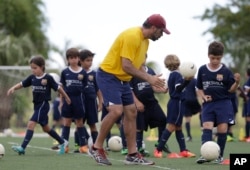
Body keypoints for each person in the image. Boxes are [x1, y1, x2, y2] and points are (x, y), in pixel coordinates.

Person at [88, 14, 169, 166]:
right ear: (153, 28)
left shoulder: (145, 41)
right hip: (108, 76)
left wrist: (151, 79)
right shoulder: (132, 36)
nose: (161, 35)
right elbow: (126, 65)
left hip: (123, 79)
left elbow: (136, 65)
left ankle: (132, 154)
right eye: (161, 31)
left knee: (131, 112)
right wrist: (149, 78)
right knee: (116, 111)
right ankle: (96, 147)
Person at [7, 55, 71, 155]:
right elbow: (22, 84)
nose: (33, 70)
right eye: (31, 68)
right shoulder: (32, 78)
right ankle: (62, 142)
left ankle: (22, 147)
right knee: (46, 128)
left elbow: (58, 88)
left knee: (31, 123)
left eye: (35, 68)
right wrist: (13, 88)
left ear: (42, 67)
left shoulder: (48, 78)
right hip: (37, 106)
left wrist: (66, 97)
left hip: (44, 105)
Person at [195, 41, 240, 164]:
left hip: (223, 104)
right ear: (208, 55)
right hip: (208, 105)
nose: (215, 61)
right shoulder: (202, 69)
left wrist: (236, 83)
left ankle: (219, 156)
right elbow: (198, 88)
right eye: (212, 58)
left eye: (218, 58)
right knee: (207, 127)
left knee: (222, 129)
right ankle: (205, 154)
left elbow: (231, 89)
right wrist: (203, 97)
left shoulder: (226, 71)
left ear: (222, 57)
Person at [154, 54, 196, 159]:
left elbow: (169, 88)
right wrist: (187, 81)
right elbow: (178, 88)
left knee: (178, 127)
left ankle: (183, 150)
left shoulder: (172, 74)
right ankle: (158, 149)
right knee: (172, 127)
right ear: (178, 63)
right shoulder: (177, 75)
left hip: (175, 103)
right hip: (177, 103)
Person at [128, 60, 170, 157]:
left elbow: (154, 87)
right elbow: (129, 90)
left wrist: (161, 90)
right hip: (139, 104)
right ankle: (139, 149)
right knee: (139, 127)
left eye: (143, 56)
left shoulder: (150, 71)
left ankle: (160, 144)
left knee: (163, 120)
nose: (141, 58)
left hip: (151, 102)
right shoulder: (132, 72)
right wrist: (137, 102)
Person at [73, 49, 103, 152]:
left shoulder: (94, 74)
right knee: (79, 123)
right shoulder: (77, 73)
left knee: (92, 125)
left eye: (91, 60)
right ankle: (80, 145)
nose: (90, 63)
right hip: (80, 102)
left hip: (91, 102)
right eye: (87, 60)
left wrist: (100, 102)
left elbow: (98, 89)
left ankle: (96, 146)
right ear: (80, 61)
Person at [60, 48, 89, 153]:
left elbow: (85, 86)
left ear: (79, 59)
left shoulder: (83, 72)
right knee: (66, 122)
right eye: (71, 58)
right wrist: (61, 101)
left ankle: (83, 146)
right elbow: (61, 87)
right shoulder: (64, 72)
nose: (73, 60)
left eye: (75, 57)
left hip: (78, 100)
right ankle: (65, 145)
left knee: (79, 122)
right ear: (68, 59)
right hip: (68, 99)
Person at [242, 68, 250, 142]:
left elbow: (246, 91)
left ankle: (248, 137)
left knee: (248, 119)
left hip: (248, 102)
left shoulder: (248, 80)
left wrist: (242, 93)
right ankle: (247, 136)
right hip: (247, 102)